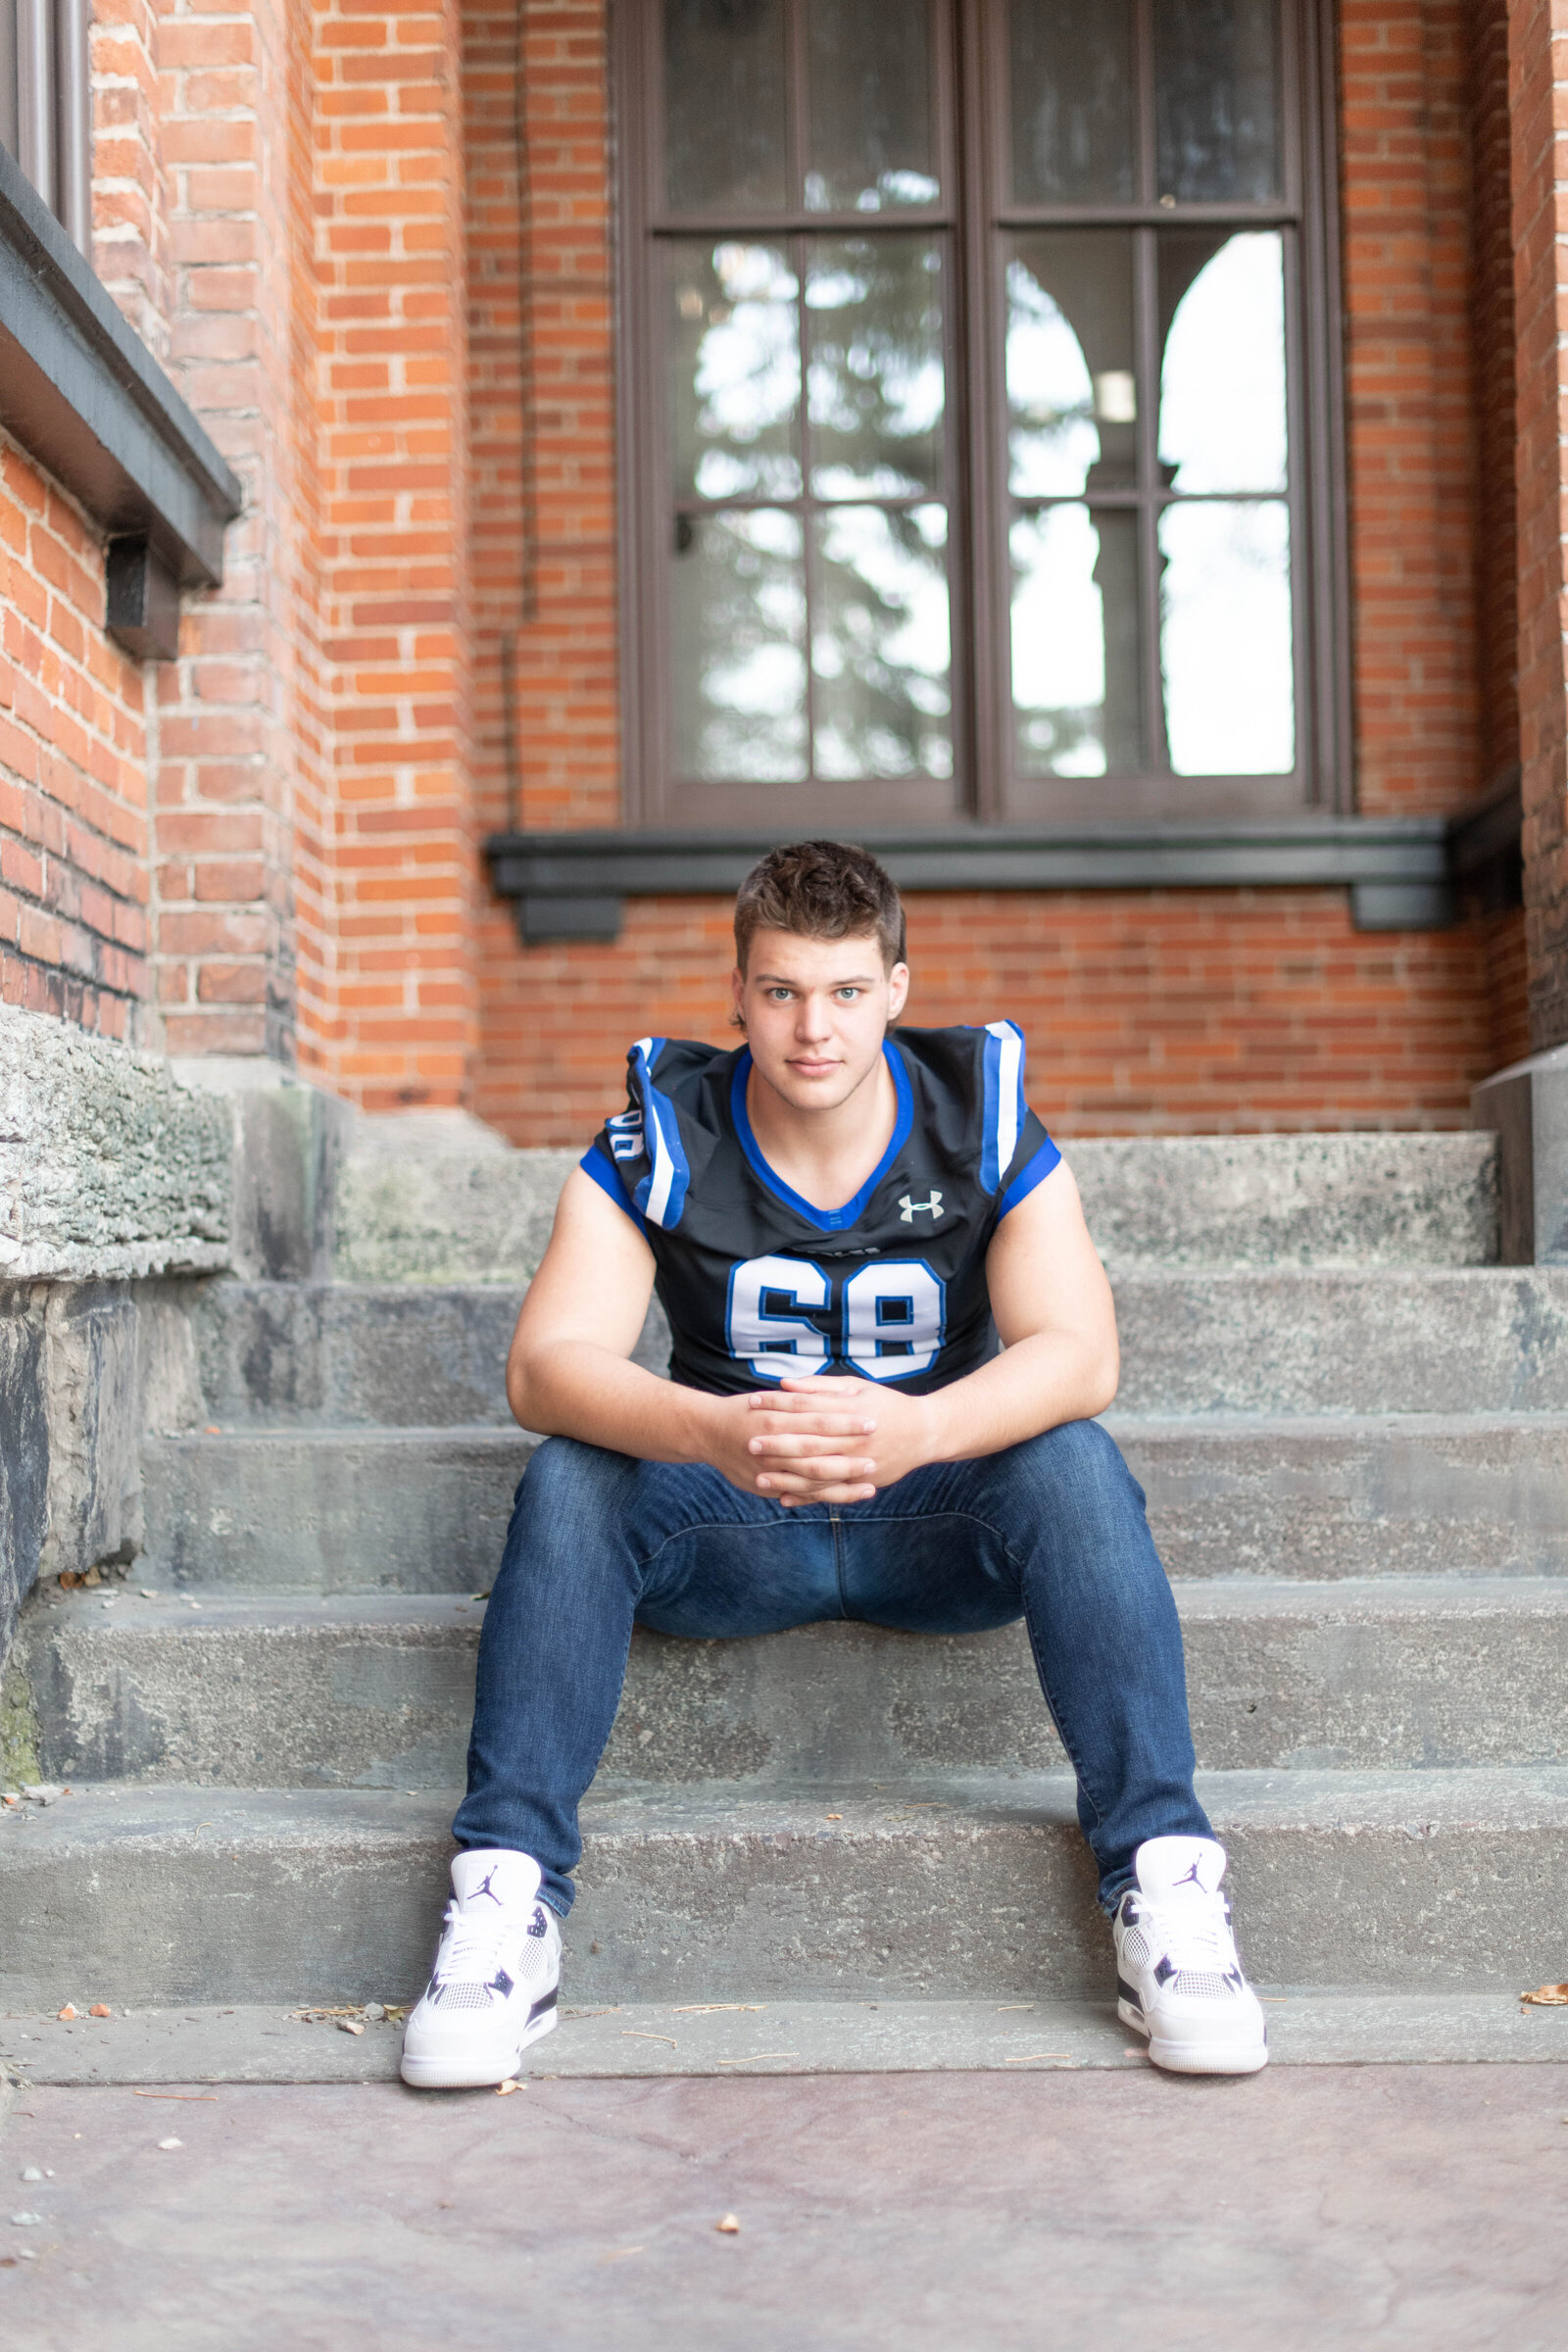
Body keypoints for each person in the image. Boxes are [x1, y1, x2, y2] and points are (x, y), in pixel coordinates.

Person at [400, 840, 1267, 2087]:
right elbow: (543, 1368)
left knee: (1071, 1459)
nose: (815, 1028)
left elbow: (1080, 1355)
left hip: (937, 1515)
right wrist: (713, 1429)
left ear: (898, 989)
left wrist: (919, 1430)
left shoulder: (978, 1114)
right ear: (738, 996)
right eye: (782, 992)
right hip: (733, 1519)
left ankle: (1167, 1885)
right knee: (572, 1473)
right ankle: (503, 1903)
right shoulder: (665, 1126)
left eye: (847, 992)